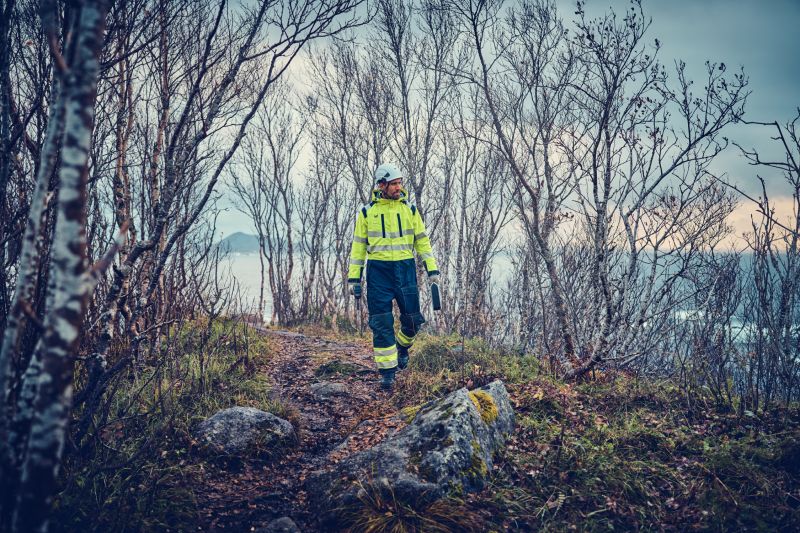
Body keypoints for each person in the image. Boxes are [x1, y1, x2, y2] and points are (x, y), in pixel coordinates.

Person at [347, 163, 439, 390]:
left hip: (405, 270)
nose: (399, 187)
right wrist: (354, 279)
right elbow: (358, 247)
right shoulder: (367, 212)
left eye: (400, 183)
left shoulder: (411, 210)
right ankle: (387, 374)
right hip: (378, 272)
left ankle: (402, 347)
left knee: (412, 321)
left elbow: (423, 241)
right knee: (381, 323)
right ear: (382, 185)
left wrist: (432, 270)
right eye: (394, 183)